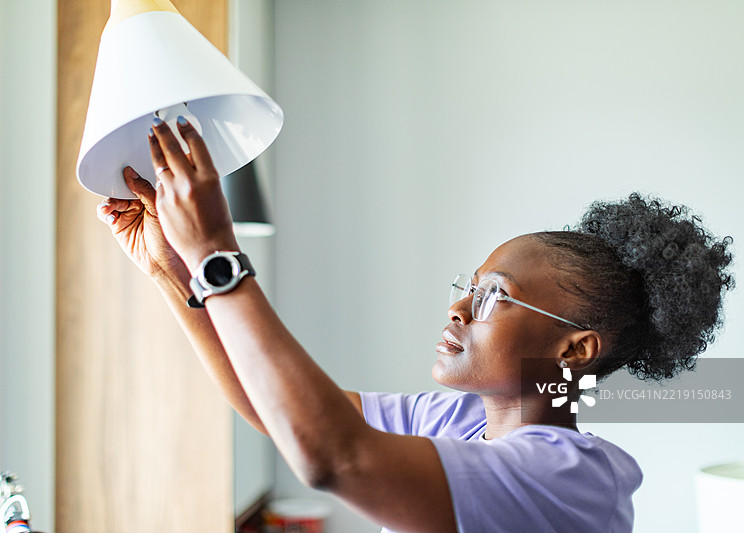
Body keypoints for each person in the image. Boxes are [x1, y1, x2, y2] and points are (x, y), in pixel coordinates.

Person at [96, 116, 734, 533]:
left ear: (573, 350)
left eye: (493, 297)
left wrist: (218, 256)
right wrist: (176, 276)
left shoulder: (572, 479)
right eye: (466, 288)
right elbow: (278, 411)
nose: (458, 309)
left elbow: (335, 457)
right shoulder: (458, 422)